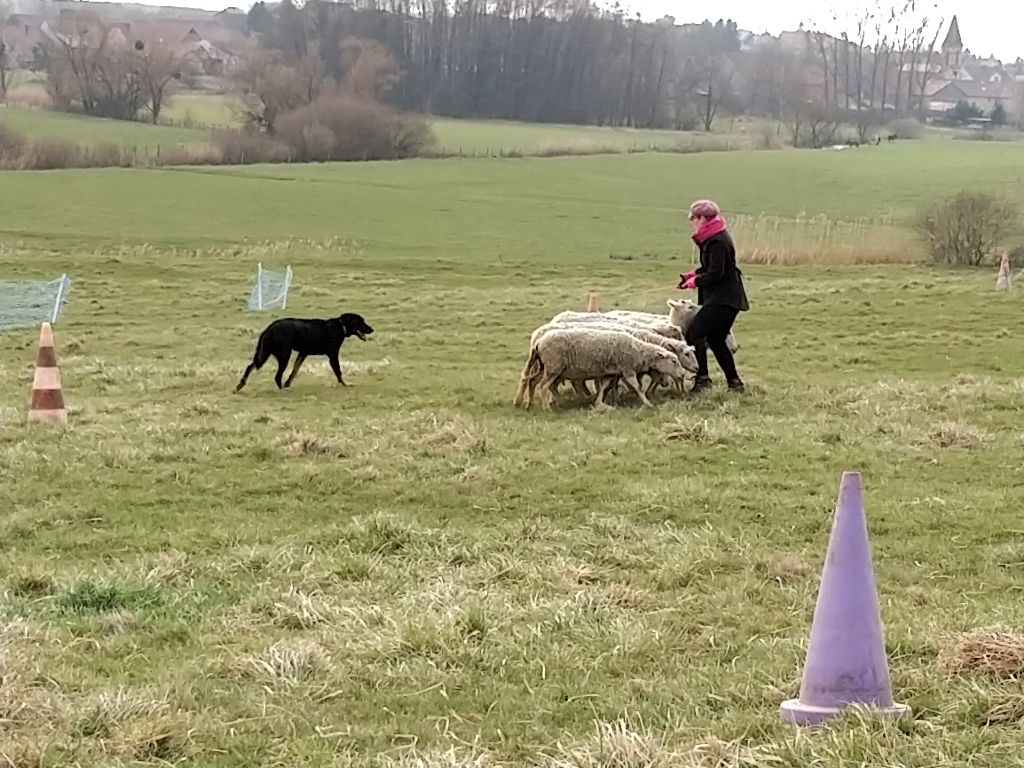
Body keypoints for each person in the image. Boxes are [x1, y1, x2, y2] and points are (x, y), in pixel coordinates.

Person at [677, 199, 749, 394]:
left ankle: (702, 379)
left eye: (693, 218)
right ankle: (734, 383)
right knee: (716, 339)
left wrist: (696, 282)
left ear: (702, 218)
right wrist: (691, 276)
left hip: (723, 299)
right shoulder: (713, 237)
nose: (692, 222)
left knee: (695, 334)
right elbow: (712, 267)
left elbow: (716, 273)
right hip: (726, 297)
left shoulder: (716, 240)